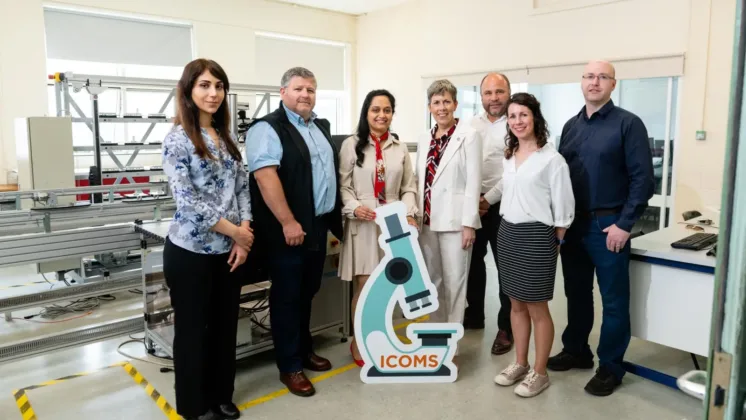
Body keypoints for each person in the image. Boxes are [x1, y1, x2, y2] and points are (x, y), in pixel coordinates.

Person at [548, 60, 655, 396]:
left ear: (613, 84)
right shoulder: (570, 126)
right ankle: (577, 349)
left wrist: (624, 224)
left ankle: (610, 366)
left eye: (602, 77)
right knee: (576, 295)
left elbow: (643, 180)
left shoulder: (628, 124)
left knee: (613, 300)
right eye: (589, 76)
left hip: (609, 226)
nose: (595, 82)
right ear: (582, 82)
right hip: (574, 226)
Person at [161, 58, 253, 420]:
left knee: (224, 327)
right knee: (192, 332)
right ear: (188, 90)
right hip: (190, 252)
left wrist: (243, 234)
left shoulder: (226, 137)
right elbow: (187, 202)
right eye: (204, 85)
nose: (213, 93)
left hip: (228, 252)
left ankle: (221, 394)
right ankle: (194, 405)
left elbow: (242, 188)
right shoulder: (177, 140)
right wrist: (238, 234)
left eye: (219, 86)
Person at [245, 67, 343, 398]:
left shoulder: (319, 127)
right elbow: (265, 177)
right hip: (288, 228)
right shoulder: (268, 128)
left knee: (308, 290)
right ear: (283, 91)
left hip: (316, 225)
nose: (305, 95)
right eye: (299, 88)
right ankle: (289, 365)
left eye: (311, 90)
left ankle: (303, 350)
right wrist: (288, 221)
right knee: (287, 296)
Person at [488, 93, 575, 398]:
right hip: (508, 233)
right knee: (515, 303)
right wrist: (483, 201)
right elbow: (505, 187)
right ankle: (520, 363)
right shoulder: (509, 155)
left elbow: (564, 207)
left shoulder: (552, 160)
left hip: (538, 236)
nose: (517, 121)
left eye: (523, 115)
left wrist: (558, 242)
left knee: (537, 307)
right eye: (512, 116)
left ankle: (540, 372)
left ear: (535, 117)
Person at [338, 89, 419, 366]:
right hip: (364, 222)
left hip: (393, 222)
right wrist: (353, 207)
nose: (381, 115)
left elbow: (409, 187)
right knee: (364, 285)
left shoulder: (400, 148)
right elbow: (344, 186)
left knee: (388, 286)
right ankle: (359, 343)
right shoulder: (351, 145)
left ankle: (380, 336)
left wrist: (409, 213)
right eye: (376, 110)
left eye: (387, 110)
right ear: (366, 112)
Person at [415, 79, 482, 329]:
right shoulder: (425, 138)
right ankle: (435, 335)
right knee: (433, 283)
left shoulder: (469, 136)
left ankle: (451, 343)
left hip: (455, 223)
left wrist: (469, 225)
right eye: (436, 102)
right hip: (427, 222)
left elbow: (474, 182)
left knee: (455, 284)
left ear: (455, 104)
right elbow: (419, 180)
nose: (441, 107)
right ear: (429, 107)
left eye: (446, 101)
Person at [466, 72, 515, 356]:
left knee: (506, 268)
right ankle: (473, 316)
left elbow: (517, 168)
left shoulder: (518, 122)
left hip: (504, 206)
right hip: (473, 204)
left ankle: (506, 327)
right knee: (472, 263)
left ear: (508, 92)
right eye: (488, 93)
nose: (494, 98)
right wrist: (475, 199)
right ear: (481, 95)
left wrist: (489, 198)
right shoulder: (471, 124)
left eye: (499, 92)